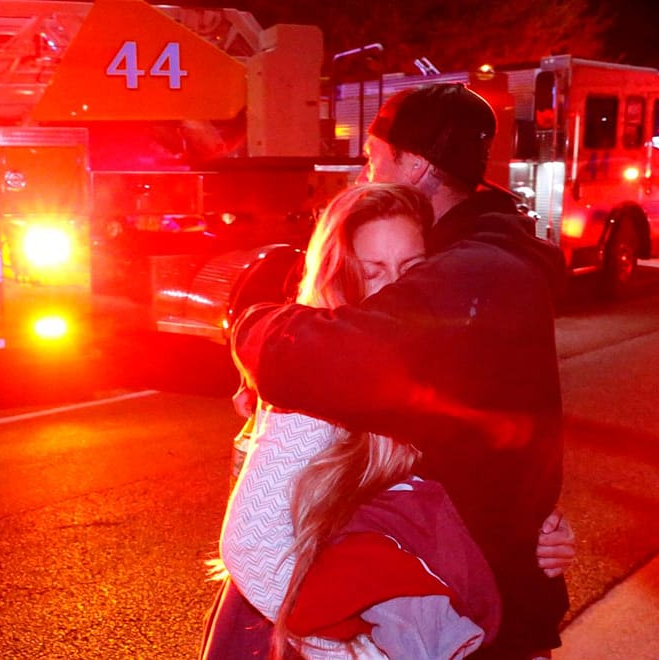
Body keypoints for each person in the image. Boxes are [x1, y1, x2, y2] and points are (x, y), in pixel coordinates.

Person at [229, 83, 572, 659]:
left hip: (476, 619)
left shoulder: (472, 274)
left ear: (410, 166)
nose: (366, 175)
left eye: (373, 158)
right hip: (457, 614)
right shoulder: (489, 260)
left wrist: (250, 325)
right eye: (374, 269)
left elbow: (322, 361)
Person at [203, 183, 502, 659]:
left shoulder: (419, 357)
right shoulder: (319, 370)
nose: (397, 287)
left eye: (412, 268)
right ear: (343, 276)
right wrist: (347, 653)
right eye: (374, 271)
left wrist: (538, 528)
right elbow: (252, 545)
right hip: (306, 629)